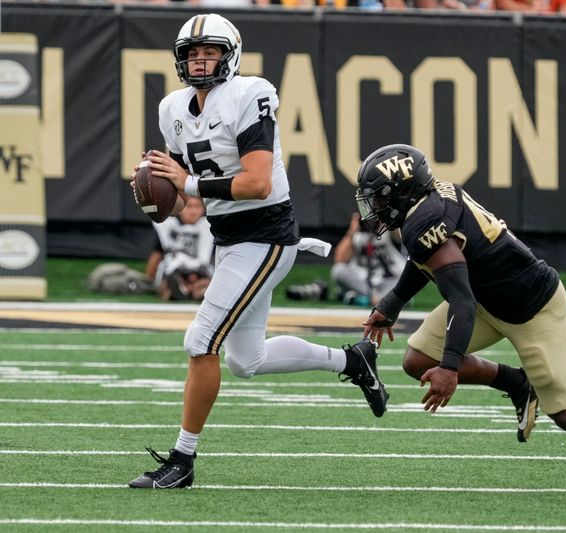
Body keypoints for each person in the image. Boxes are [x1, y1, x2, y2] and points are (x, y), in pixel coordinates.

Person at [127, 13, 388, 490]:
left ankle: (182, 461)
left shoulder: (252, 93)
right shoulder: (172, 108)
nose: (200, 61)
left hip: (266, 235)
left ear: (231, 55)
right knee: (245, 361)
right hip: (227, 240)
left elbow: (256, 181)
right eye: (192, 53)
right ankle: (354, 361)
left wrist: (183, 182)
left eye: (210, 52)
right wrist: (155, 188)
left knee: (200, 341)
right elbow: (186, 195)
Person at [357, 144, 566, 492]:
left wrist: (451, 368)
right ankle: (517, 383)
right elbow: (429, 260)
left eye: (379, 199)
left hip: (532, 308)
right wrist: (393, 302)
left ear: (403, 192)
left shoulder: (427, 220)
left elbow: (461, 303)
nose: (374, 209)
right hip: (486, 298)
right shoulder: (428, 205)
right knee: (418, 360)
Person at [147, 196, 215, 302]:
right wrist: (149, 280)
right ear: (180, 208)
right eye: (189, 206)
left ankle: (196, 291)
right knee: (167, 284)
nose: (193, 211)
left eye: (197, 206)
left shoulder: (210, 227)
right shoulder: (167, 226)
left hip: (200, 272)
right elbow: (157, 255)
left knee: (208, 283)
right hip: (174, 271)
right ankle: (176, 291)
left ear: (203, 209)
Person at [331, 212, 406, 306]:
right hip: (363, 280)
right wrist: (352, 231)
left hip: (388, 279)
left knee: (404, 278)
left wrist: (388, 220)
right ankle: (381, 300)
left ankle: (361, 298)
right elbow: (339, 259)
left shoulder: (389, 228)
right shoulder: (357, 233)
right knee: (338, 270)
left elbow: (401, 235)